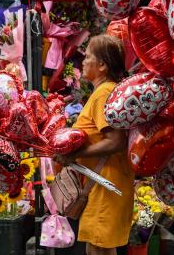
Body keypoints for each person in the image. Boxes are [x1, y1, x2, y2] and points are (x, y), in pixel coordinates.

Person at [56, 35, 133, 255]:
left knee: (98, 249)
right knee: (97, 249)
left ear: (102, 65)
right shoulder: (103, 91)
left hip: (106, 182)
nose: (83, 61)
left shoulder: (104, 92)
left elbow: (115, 141)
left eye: (88, 56)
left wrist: (74, 155)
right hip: (102, 182)